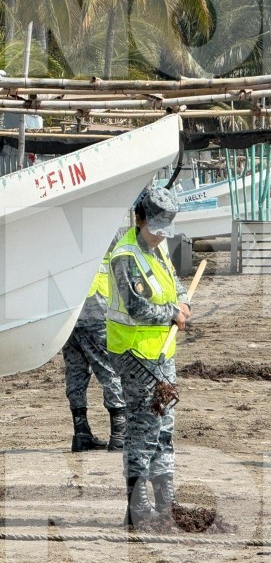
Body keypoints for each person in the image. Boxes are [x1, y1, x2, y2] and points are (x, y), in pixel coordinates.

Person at [107, 187, 190, 527]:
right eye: (155, 229)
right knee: (144, 427)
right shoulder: (125, 255)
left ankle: (165, 498)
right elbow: (137, 307)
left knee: (164, 425)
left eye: (164, 230)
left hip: (161, 353)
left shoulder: (158, 249)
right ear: (139, 219)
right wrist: (172, 312)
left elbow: (175, 285)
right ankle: (138, 505)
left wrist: (183, 302)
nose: (160, 236)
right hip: (134, 353)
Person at [64, 241, 126, 453]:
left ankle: (81, 433)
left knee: (75, 372)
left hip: (67, 318)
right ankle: (119, 434)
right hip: (96, 316)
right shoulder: (106, 237)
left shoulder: (66, 240)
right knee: (110, 371)